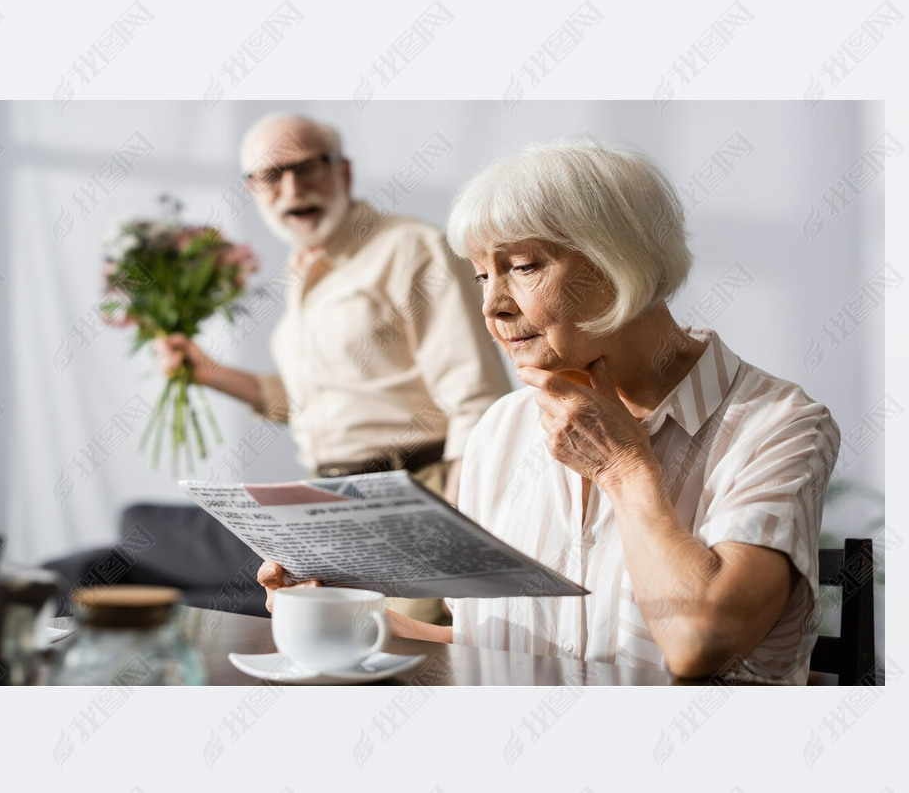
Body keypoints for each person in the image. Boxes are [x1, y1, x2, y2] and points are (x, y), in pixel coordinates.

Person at [258, 137, 840, 683]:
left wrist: (624, 469)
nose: (492, 306)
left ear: (620, 263)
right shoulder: (502, 429)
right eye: (483, 274)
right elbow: (487, 645)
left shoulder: (779, 425)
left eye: (524, 266)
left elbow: (701, 643)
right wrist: (340, 613)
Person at [158, 113, 511, 623]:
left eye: (309, 168)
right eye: (271, 176)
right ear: (253, 191)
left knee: (409, 665)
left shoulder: (412, 247)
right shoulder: (302, 272)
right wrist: (208, 372)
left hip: (418, 493)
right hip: (327, 505)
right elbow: (316, 403)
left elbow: (475, 394)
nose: (293, 188)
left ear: (343, 173)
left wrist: (455, 525)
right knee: (330, 671)